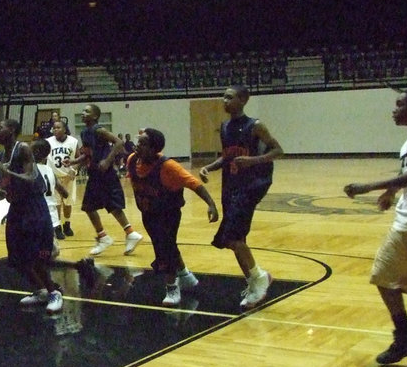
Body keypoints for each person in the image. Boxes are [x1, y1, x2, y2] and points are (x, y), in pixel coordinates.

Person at [344, 89, 407, 365]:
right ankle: (405, 336)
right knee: (383, 277)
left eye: (400, 105)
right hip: (406, 225)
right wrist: (391, 191)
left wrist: (368, 186)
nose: (394, 109)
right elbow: (406, 174)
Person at [199, 85, 283, 310]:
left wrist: (253, 161)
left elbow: (278, 150)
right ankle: (256, 279)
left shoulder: (255, 126)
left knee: (233, 238)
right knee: (236, 240)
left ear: (243, 100)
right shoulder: (225, 126)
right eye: (223, 97)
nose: (224, 101)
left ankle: (259, 278)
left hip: (252, 185)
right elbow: (227, 157)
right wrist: (210, 166)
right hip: (232, 186)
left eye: (229, 97)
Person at [126, 128, 219, 306]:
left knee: (165, 248)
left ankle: (172, 287)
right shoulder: (132, 160)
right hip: (148, 213)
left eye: (143, 143)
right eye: (139, 141)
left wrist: (211, 204)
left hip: (168, 213)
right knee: (165, 246)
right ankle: (185, 275)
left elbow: (194, 183)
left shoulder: (168, 166)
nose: (138, 145)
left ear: (154, 149)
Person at [0, 119, 62, 314]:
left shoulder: (22, 148)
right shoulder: (1, 155)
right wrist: (1, 191)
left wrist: (8, 172)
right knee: (16, 257)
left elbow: (31, 178)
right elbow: (4, 183)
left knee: (35, 256)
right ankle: (40, 290)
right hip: (16, 208)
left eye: (0, 127)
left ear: (12, 130)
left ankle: (53, 292)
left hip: (34, 207)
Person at [70, 104, 143, 256]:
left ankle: (122, 235)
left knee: (111, 206)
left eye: (87, 111)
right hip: (95, 174)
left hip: (106, 174)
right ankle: (121, 234)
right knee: (91, 207)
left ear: (95, 116)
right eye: (83, 111)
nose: (83, 113)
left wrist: (108, 161)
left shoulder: (99, 130)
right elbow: (88, 154)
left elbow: (119, 142)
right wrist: (74, 161)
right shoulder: (84, 133)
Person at [32, 138, 69, 259]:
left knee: (39, 247)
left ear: (35, 152)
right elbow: (64, 192)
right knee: (50, 247)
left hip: (38, 211)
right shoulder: (49, 170)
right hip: (51, 214)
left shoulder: (31, 170)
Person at [47, 120, 78, 240]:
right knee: (56, 204)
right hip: (54, 177)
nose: (55, 130)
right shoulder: (48, 142)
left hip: (68, 177)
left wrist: (73, 170)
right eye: (54, 128)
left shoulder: (73, 141)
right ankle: (57, 227)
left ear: (64, 129)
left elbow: (79, 159)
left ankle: (67, 224)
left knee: (68, 202)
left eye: (58, 128)